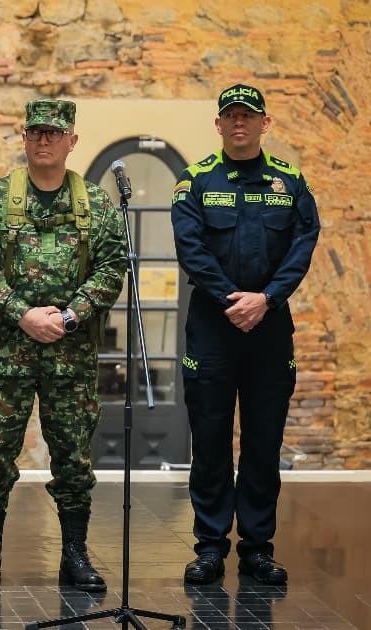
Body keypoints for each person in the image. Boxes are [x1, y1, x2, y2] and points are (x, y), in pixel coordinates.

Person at [0, 99, 125, 592]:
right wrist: (22, 313)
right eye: (36, 132)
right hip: (5, 354)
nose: (44, 140)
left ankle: (74, 554)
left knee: (73, 456)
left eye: (54, 132)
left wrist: (69, 317)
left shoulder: (96, 204)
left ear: (72, 140)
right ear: (25, 138)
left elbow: (112, 267)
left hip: (71, 355)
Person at [173, 84, 320, 586]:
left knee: (262, 443)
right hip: (212, 328)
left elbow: (303, 243)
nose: (239, 123)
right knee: (210, 442)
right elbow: (190, 249)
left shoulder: (290, 182)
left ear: (264, 123)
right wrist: (233, 300)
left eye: (248, 115)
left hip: (270, 328)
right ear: (218, 124)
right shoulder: (195, 181)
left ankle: (257, 550)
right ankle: (210, 548)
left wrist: (267, 298)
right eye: (231, 116)